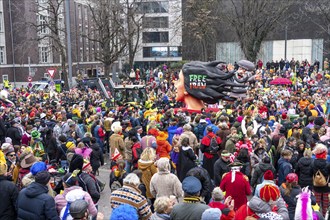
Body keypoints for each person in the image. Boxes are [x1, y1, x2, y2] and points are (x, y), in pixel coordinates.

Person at [311, 144, 330, 216]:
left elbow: (310, 173)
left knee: (316, 204)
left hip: (316, 187)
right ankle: (325, 216)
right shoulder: (328, 164)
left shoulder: (313, 163)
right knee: (325, 205)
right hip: (326, 187)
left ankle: (316, 217)